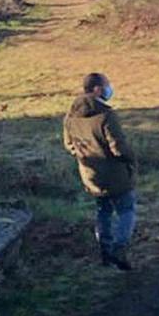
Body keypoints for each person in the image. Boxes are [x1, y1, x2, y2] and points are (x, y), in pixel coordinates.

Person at [62, 72, 137, 271]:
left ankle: (105, 251)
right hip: (115, 173)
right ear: (97, 89)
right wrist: (131, 159)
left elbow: (69, 145)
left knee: (103, 212)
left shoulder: (70, 116)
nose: (109, 88)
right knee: (126, 211)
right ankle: (119, 248)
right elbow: (118, 147)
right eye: (106, 85)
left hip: (90, 174)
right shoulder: (106, 115)